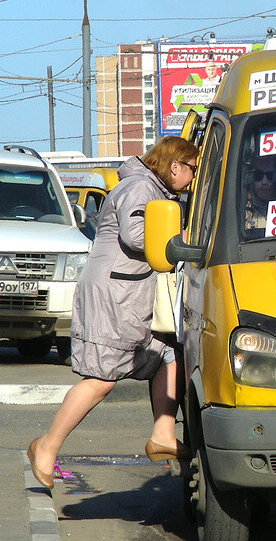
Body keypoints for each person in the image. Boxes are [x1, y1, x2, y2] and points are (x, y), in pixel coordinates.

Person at [27, 136, 199, 489]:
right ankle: (45, 447)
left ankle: (163, 433)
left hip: (126, 295)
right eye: (193, 170)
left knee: (166, 354)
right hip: (113, 296)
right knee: (102, 379)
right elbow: (137, 237)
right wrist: (184, 236)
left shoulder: (151, 188)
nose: (194, 178)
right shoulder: (139, 188)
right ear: (174, 166)